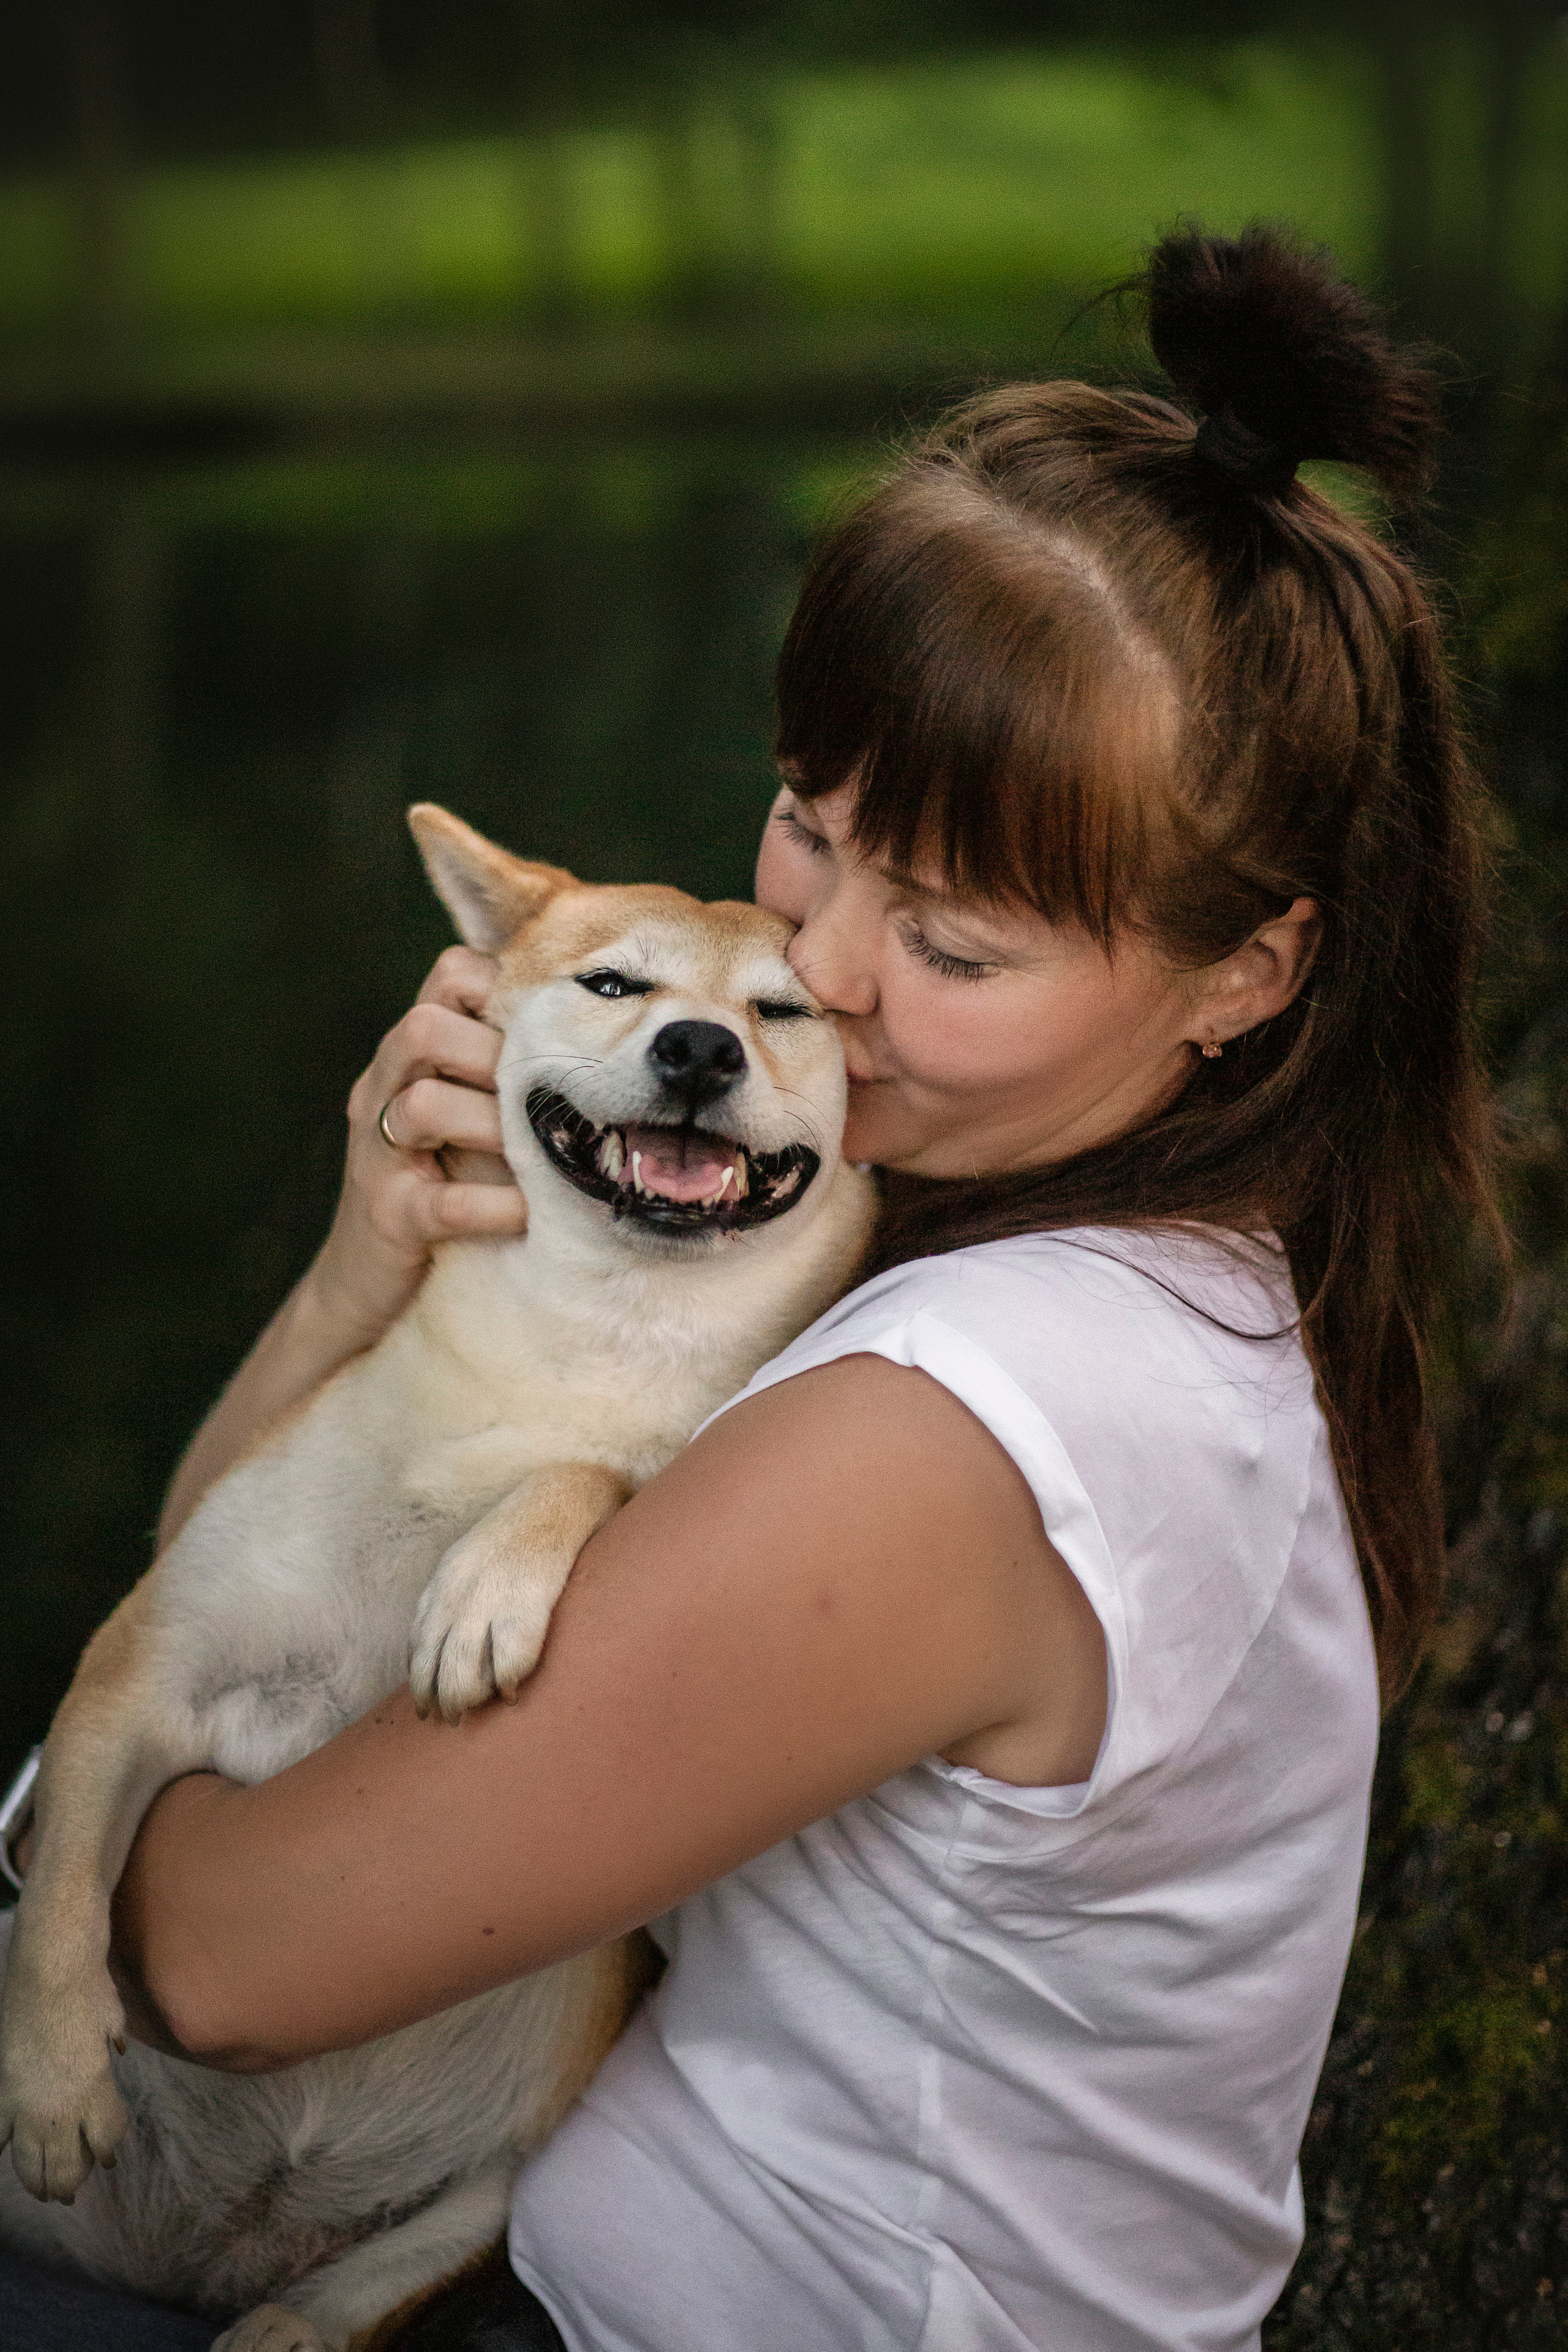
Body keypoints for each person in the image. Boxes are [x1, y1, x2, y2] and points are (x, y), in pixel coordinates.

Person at [3, 227, 1498, 2352]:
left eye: (959, 948)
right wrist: (373, 1268)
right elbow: (249, 1602)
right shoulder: (1110, 1261)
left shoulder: (971, 1421)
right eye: (814, 828)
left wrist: (69, 1808)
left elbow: (233, 1959)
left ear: (1251, 972)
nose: (831, 971)